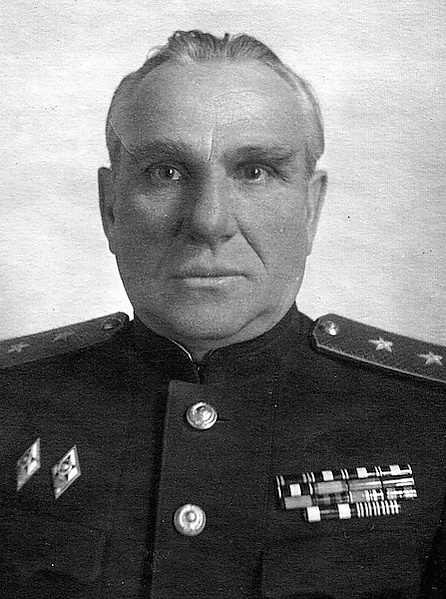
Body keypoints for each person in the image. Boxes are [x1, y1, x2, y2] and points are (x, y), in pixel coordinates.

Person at [0, 30, 445, 599]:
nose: (209, 221)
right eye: (165, 172)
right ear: (110, 207)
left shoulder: (431, 420)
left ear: (311, 208)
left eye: (255, 172)